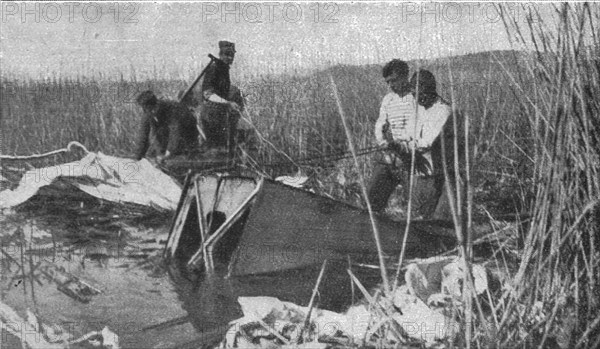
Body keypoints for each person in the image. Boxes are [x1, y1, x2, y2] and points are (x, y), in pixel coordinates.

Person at [367, 59, 422, 213]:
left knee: (417, 208)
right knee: (371, 204)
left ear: (405, 76)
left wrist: (403, 146)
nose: (391, 85)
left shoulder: (417, 97)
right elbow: (380, 124)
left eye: (394, 80)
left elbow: (419, 127)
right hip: (391, 157)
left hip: (413, 158)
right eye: (388, 82)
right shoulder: (388, 99)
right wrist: (382, 141)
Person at [409, 69, 465, 219]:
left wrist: (405, 146)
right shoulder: (418, 110)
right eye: (414, 94)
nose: (417, 98)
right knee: (417, 217)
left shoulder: (444, 111)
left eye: (420, 93)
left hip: (444, 176)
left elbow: (426, 142)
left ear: (429, 91)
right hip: (423, 174)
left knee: (438, 220)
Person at [200, 40, 242, 157]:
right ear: (221, 55)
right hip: (211, 114)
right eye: (227, 55)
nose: (230, 58)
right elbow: (208, 94)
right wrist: (228, 103)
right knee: (215, 149)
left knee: (222, 148)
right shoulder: (214, 69)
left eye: (232, 55)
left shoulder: (224, 70)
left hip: (220, 114)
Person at [135, 90, 199, 162]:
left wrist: (168, 153)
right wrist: (138, 157)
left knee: (179, 158)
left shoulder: (172, 108)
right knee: (155, 153)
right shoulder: (147, 113)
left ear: (157, 104)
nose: (152, 112)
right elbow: (143, 135)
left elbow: (175, 132)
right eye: (149, 110)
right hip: (167, 134)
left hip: (187, 132)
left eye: (153, 109)